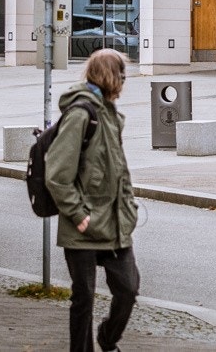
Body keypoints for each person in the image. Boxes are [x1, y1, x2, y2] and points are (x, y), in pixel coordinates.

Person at [45, 49, 139, 352]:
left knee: (128, 289)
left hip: (115, 224)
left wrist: (129, 208)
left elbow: (121, 170)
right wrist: (79, 215)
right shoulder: (81, 114)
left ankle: (108, 339)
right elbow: (57, 174)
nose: (124, 82)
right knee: (83, 299)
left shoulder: (109, 113)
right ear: (111, 75)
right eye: (122, 75)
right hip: (82, 227)